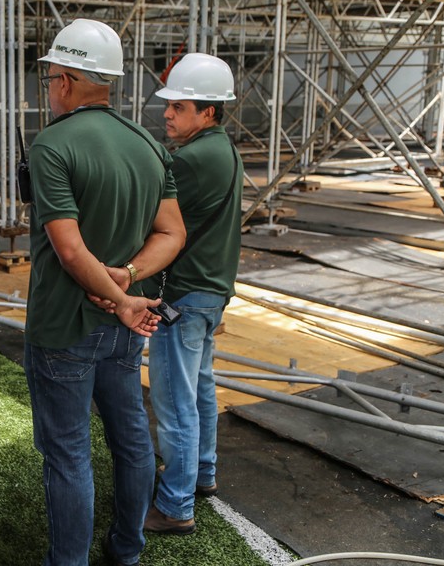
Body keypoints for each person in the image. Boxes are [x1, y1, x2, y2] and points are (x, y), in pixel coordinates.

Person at [24, 19, 186, 566]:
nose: (49, 87)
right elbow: (173, 234)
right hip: (123, 329)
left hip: (65, 326)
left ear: (66, 81)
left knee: (68, 455)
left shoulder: (52, 145)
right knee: (132, 441)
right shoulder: (147, 143)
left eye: (50, 78)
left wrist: (116, 295)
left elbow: (69, 252)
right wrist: (128, 277)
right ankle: (126, 551)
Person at [140, 53, 242, 535]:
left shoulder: (193, 159)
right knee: (199, 388)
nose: (167, 114)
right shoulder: (225, 149)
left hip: (184, 292)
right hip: (210, 290)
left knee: (174, 400)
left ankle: (176, 505)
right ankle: (203, 474)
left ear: (208, 112)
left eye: (179, 107)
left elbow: (150, 216)